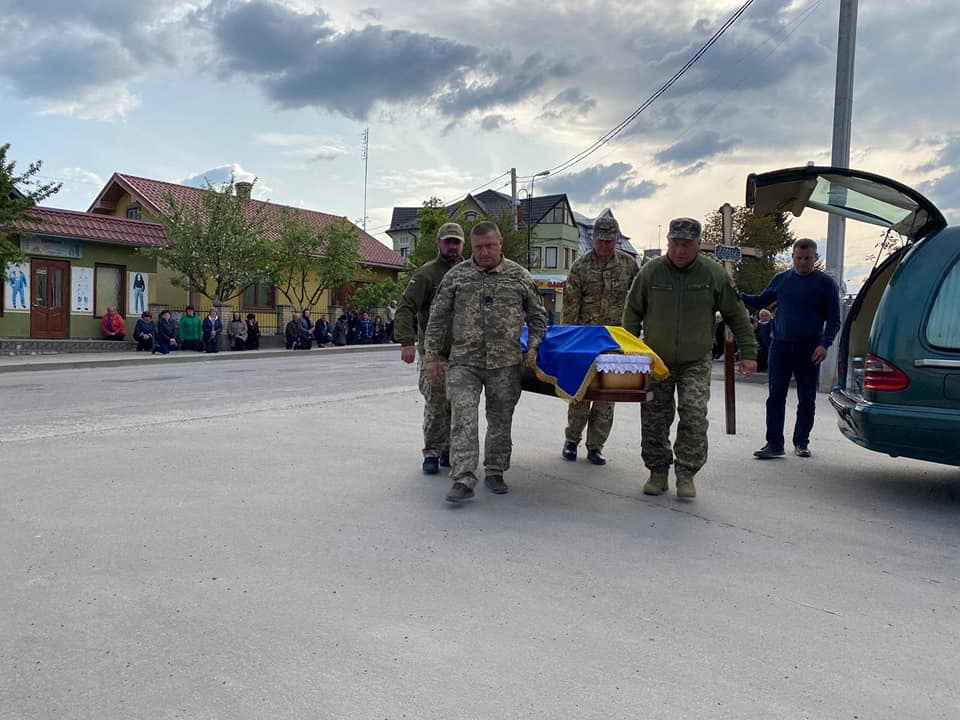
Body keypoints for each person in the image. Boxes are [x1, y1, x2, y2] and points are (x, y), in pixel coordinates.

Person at [623, 217, 757, 499]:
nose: (679, 250)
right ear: (668, 242)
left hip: (695, 360)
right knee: (655, 418)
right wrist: (630, 350)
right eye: (675, 244)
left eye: (686, 245)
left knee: (694, 415)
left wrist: (748, 353)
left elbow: (737, 315)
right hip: (656, 359)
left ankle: (686, 474)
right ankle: (658, 472)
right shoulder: (651, 272)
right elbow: (632, 311)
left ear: (698, 245)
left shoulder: (713, 274)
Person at [424, 221, 547, 503]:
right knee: (463, 418)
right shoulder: (457, 276)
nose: (485, 252)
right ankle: (463, 477)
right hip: (464, 362)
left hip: (504, 363)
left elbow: (538, 317)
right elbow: (437, 319)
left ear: (500, 242)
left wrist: (534, 348)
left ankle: (495, 470)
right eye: (479, 247)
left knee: (500, 420)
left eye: (490, 245)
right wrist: (431, 357)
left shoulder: (519, 276)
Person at [741, 239, 841, 459]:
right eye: (798, 258)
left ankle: (801, 442)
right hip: (780, 347)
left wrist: (825, 344)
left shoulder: (825, 284)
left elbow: (834, 319)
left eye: (807, 258)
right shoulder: (782, 279)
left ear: (815, 257)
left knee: (807, 398)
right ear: (793, 256)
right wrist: (738, 295)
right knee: (775, 395)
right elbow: (760, 301)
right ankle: (774, 443)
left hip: (810, 349)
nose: (802, 262)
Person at [561, 216, 639, 466]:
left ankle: (596, 446)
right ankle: (572, 440)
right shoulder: (580, 267)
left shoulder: (629, 265)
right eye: (600, 240)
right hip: (584, 341)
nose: (604, 246)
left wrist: (634, 338)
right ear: (593, 239)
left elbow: (637, 302)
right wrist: (569, 342)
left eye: (609, 241)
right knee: (580, 393)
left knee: (607, 397)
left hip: (616, 341)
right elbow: (570, 307)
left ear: (617, 239)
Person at [395, 222, 465, 475]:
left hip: (463, 354)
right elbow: (405, 307)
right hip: (434, 352)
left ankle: (450, 451)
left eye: (456, 241)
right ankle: (433, 453)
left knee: (458, 405)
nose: (452, 246)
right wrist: (407, 341)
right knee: (436, 402)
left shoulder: (471, 272)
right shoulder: (427, 274)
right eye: (448, 241)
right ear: (439, 244)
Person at [755, 308, 773, 373]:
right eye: (762, 315)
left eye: (766, 315)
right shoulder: (757, 325)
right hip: (761, 344)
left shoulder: (772, 323)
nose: (764, 317)